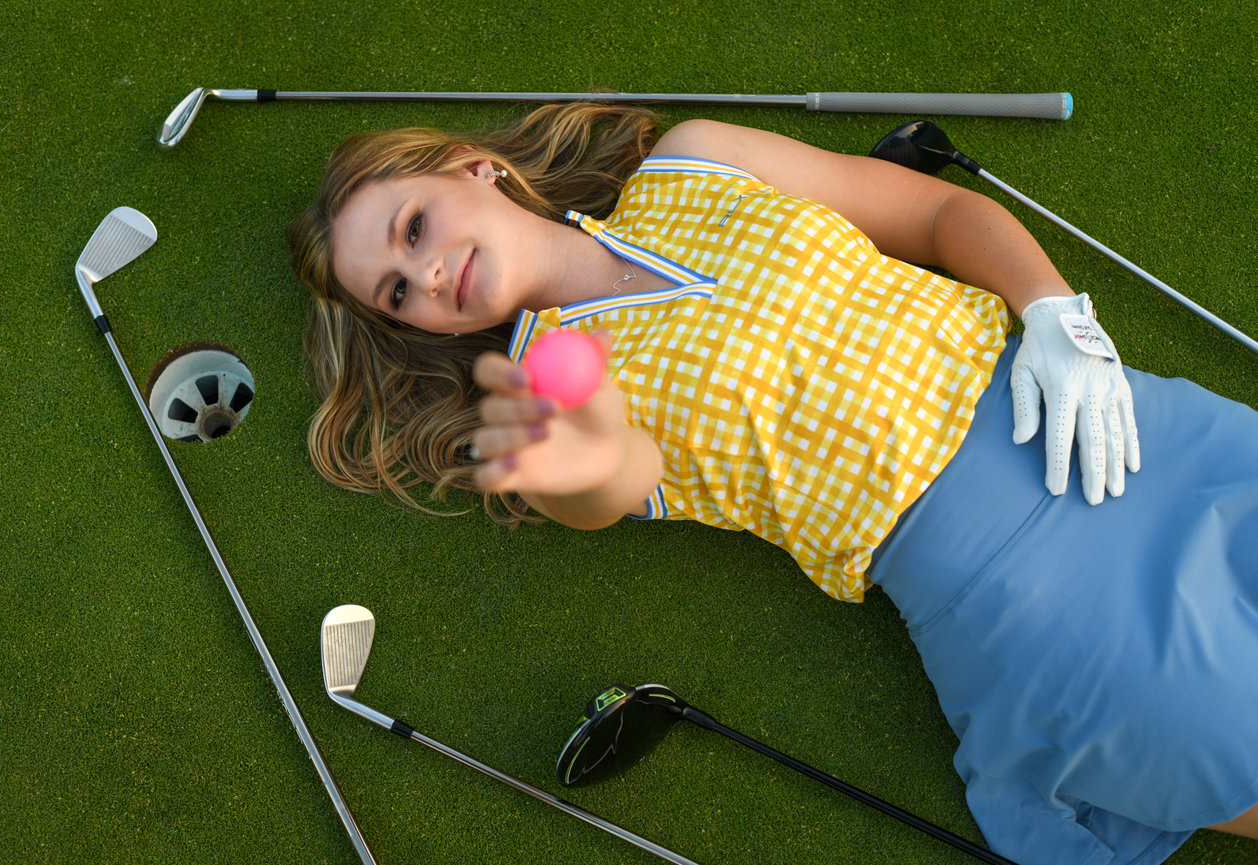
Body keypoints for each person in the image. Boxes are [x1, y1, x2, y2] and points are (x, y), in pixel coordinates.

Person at [288, 103, 1258, 865]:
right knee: (1221, 731)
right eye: (397, 294)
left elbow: (933, 210)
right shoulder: (551, 388)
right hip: (1007, 590)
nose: (427, 274)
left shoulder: (694, 155)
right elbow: (612, 476)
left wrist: (1054, 314)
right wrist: (581, 472)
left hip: (1103, 417)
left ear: (474, 167)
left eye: (412, 228)